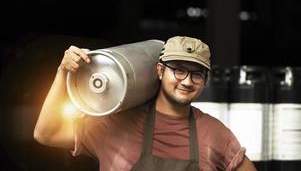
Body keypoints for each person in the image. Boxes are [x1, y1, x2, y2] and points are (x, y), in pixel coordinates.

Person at [34, 36, 257, 171]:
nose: (187, 81)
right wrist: (62, 72)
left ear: (205, 80)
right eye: (179, 70)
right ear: (160, 70)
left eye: (197, 75)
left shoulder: (214, 133)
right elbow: (46, 134)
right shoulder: (115, 125)